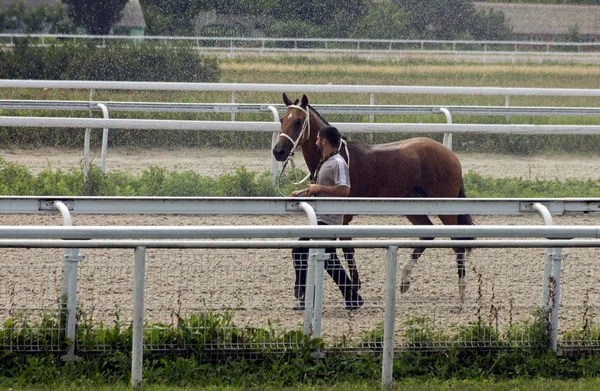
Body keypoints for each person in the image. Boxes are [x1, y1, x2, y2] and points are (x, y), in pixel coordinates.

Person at [290, 125, 364, 311]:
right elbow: (321, 190)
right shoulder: (328, 161)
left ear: (324, 141)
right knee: (330, 260)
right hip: (323, 219)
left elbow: (344, 189)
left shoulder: (338, 162)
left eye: (317, 138)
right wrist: (301, 193)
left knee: (300, 250)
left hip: (328, 220)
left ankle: (307, 296)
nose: (315, 141)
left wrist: (319, 189)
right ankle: (352, 297)